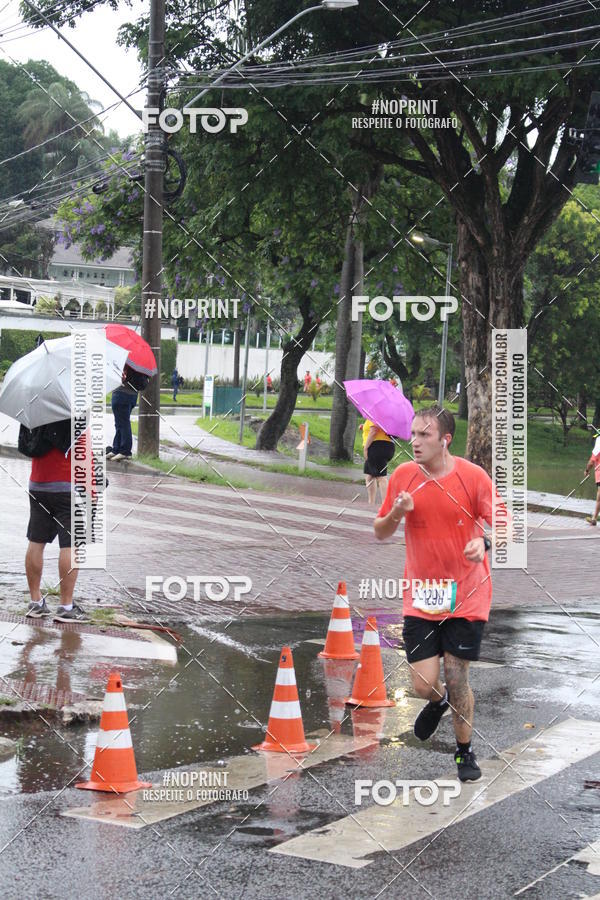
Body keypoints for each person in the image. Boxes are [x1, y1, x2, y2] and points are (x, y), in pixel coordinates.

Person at [374, 405, 504, 783]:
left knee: (456, 675)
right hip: (421, 595)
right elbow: (380, 531)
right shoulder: (403, 476)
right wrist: (397, 513)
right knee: (422, 683)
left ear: (445, 440)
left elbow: (508, 524)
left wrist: (484, 542)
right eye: (413, 434)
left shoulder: (472, 477)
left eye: (424, 435)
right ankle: (437, 701)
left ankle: (464, 753)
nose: (414, 442)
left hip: (467, 594)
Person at [25, 420, 90, 622]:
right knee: (70, 544)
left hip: (37, 482)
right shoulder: (73, 407)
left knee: (36, 541)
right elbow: (83, 452)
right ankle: (66, 606)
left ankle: (35, 602)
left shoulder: (37, 409)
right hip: (67, 484)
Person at [107, 364, 139, 461]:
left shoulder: (124, 361)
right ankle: (117, 448)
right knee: (120, 423)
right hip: (131, 395)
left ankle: (125, 451)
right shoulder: (137, 365)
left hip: (122, 394)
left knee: (123, 423)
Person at [362, 419, 395, 504]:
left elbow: (374, 431)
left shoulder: (374, 414)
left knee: (380, 477)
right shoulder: (384, 415)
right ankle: (371, 503)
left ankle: (385, 504)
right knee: (370, 476)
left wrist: (366, 448)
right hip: (386, 446)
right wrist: (364, 427)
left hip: (377, 446)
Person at [584, 433, 600, 525]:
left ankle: (594, 519)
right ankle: (594, 519)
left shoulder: (597, 450)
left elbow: (591, 462)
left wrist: (586, 470)